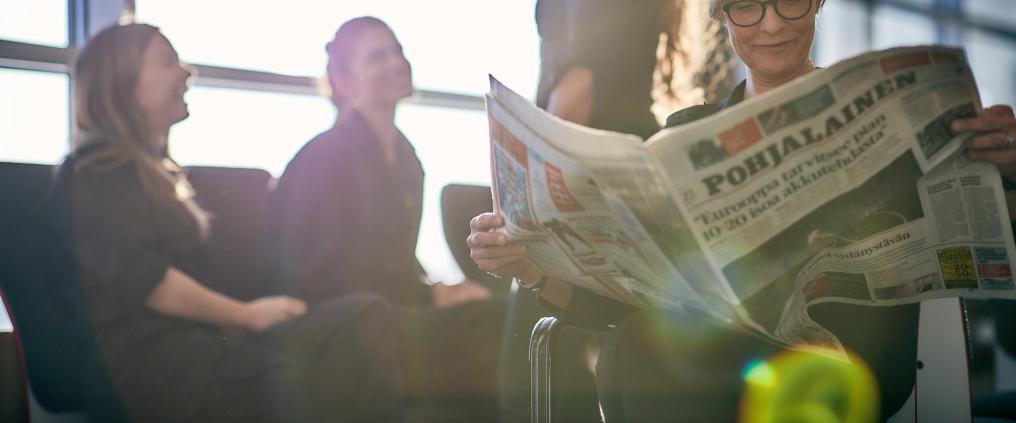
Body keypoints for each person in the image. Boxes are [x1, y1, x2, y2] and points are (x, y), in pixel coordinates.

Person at [469, 0, 1016, 421]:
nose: (772, 24)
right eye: (748, 5)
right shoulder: (685, 136)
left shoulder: (892, 116)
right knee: (637, 349)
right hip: (715, 361)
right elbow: (626, 300)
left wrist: (1008, 172)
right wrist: (530, 266)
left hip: (849, 363)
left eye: (790, 2)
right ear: (723, 13)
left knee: (655, 364)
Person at [54, 23, 404, 422]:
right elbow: (146, 280)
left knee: (361, 317)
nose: (186, 73)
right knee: (300, 387)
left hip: (203, 342)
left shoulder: (162, 178)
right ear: (127, 85)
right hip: (150, 365)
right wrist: (246, 315)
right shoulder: (91, 173)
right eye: (168, 62)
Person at [497, 2, 730, 422]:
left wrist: (530, 186)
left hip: (585, 159)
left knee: (534, 366)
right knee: (610, 328)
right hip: (626, 147)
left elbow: (578, 87)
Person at [269, 17, 504, 420]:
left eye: (398, 51)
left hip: (389, 310)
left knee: (499, 311)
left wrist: (439, 288)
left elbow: (395, 260)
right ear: (343, 82)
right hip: (337, 321)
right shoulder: (323, 157)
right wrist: (430, 295)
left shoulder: (408, 159)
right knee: (491, 325)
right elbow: (319, 275)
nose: (397, 63)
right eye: (378, 57)